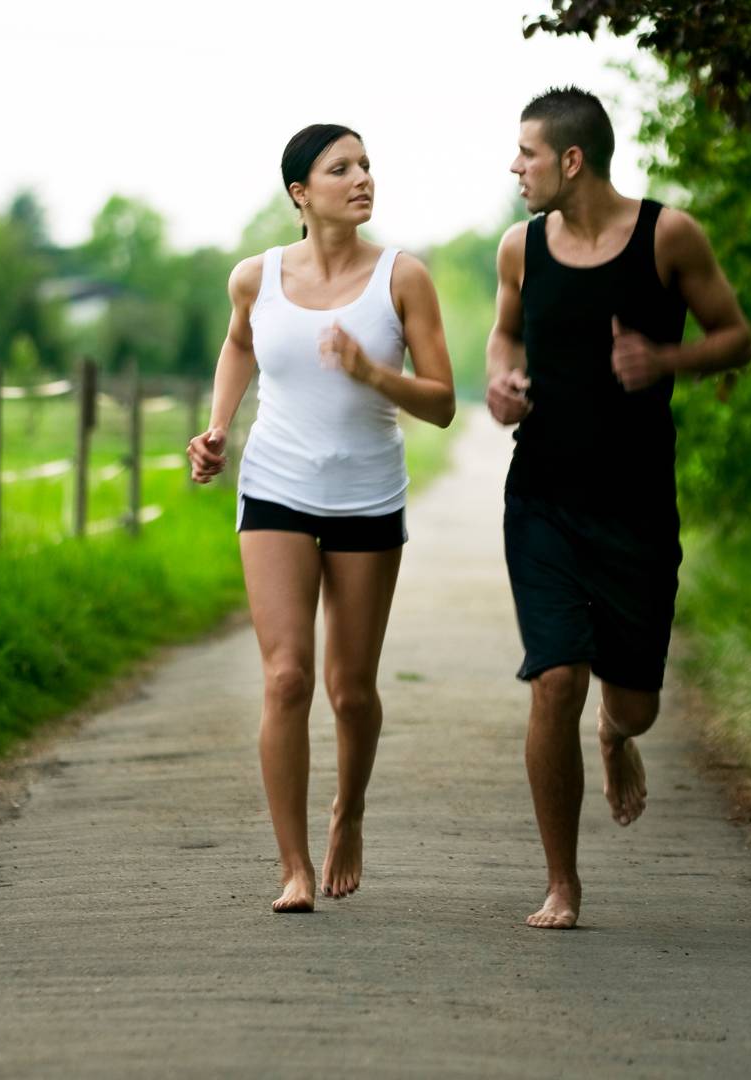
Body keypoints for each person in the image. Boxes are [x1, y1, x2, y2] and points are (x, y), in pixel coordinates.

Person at [486, 87, 751, 929]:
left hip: (635, 507)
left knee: (634, 705)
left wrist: (664, 360)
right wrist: (501, 381)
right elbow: (504, 333)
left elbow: (736, 336)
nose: (514, 167)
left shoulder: (669, 236)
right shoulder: (520, 248)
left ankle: (615, 734)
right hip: (541, 498)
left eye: (527, 153)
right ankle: (561, 882)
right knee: (555, 678)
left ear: (571, 161)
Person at [188, 124, 455, 913]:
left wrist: (374, 373)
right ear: (301, 194)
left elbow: (442, 402)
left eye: (366, 165)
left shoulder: (403, 278)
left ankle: (349, 812)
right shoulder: (255, 277)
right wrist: (217, 427)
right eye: (341, 168)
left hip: (367, 496)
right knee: (286, 677)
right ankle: (293, 867)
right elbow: (239, 345)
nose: (362, 178)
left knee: (352, 692)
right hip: (275, 487)